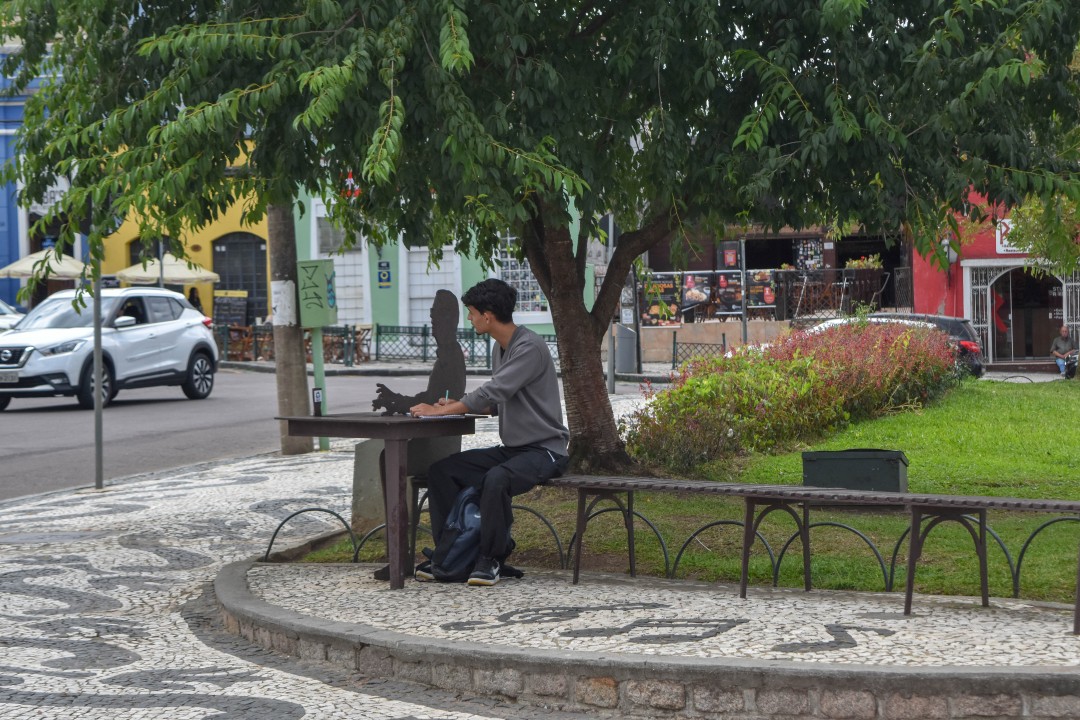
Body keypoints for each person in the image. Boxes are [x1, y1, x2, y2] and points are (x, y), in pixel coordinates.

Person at [409, 278, 569, 586]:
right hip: (515, 449)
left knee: (496, 479)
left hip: (545, 451)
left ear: (487, 315)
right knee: (443, 471)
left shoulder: (529, 347)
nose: (469, 319)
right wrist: (458, 404)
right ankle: (451, 553)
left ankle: (491, 557)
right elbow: (496, 403)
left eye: (471, 313)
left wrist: (441, 411)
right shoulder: (502, 348)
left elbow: (494, 390)